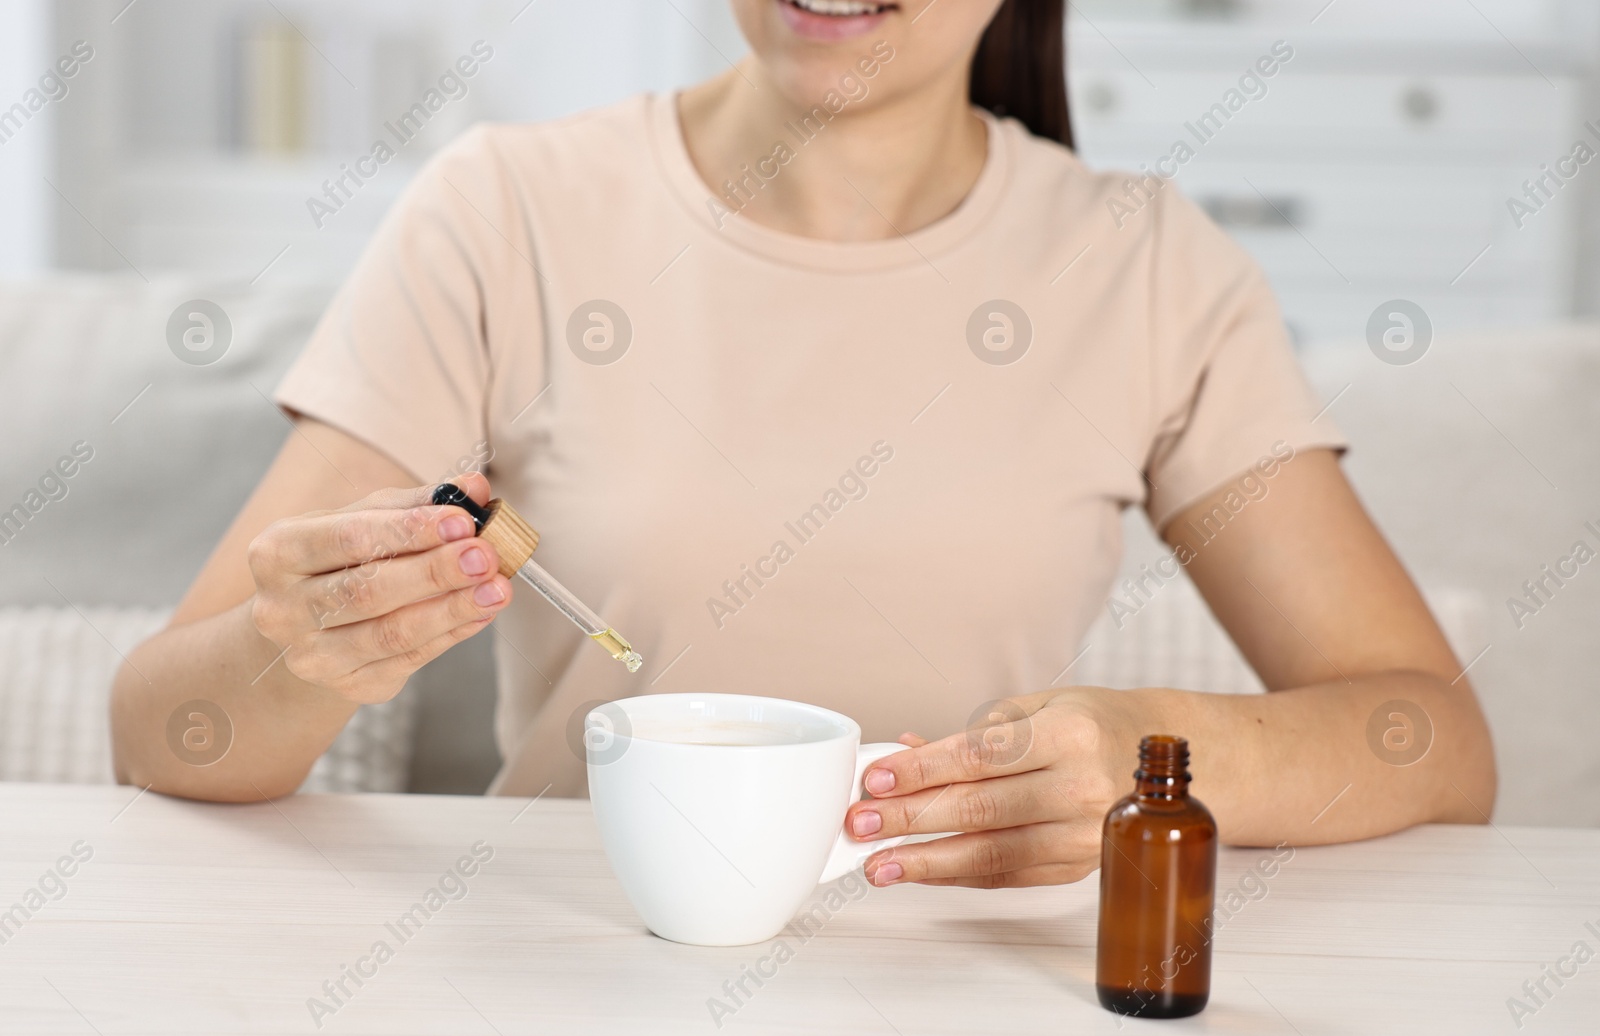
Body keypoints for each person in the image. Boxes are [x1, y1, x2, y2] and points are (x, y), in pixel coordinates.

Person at [111, 0, 1495, 889]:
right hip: (560, 986)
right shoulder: (504, 209)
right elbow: (161, 736)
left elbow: (1430, 741)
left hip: (980, 1006)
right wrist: (302, 644)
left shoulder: (1149, 269)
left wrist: (1157, 754)